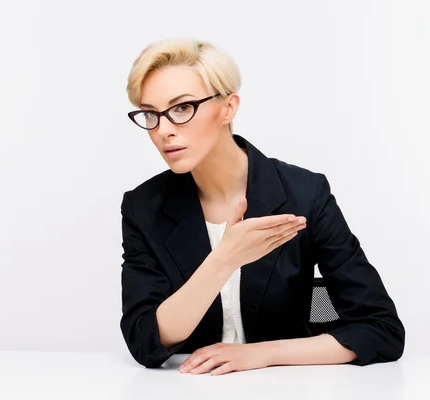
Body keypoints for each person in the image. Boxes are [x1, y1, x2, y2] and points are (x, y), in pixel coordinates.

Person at [120, 37, 405, 375]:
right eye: (151, 114)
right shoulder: (143, 207)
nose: (163, 130)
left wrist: (263, 354)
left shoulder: (305, 194)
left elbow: (381, 329)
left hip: (286, 387)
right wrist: (224, 259)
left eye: (182, 108)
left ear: (228, 107)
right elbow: (144, 339)